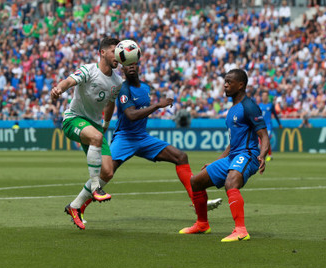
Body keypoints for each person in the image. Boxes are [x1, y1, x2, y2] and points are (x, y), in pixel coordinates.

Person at [65, 62, 222, 229]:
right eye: (127, 65)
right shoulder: (123, 89)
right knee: (106, 172)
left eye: (134, 64)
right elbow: (131, 115)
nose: (131, 67)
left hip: (142, 137)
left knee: (180, 157)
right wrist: (156, 105)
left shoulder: (146, 88)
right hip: (125, 138)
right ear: (123, 70)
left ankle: (194, 200)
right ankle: (78, 206)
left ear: (138, 66)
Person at [180, 69, 270, 242]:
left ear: (241, 85)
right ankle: (202, 224)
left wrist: (263, 155)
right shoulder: (232, 110)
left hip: (248, 155)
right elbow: (233, 143)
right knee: (196, 181)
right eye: (225, 81)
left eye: (229, 82)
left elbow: (264, 136)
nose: (226, 85)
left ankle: (241, 230)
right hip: (232, 156)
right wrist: (218, 161)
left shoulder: (249, 106)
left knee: (231, 182)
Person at [50, 37, 123, 230]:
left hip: (95, 126)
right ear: (102, 53)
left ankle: (74, 206)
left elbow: (110, 103)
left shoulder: (117, 81)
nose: (119, 56)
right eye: (115, 51)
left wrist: (107, 123)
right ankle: (94, 187)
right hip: (73, 119)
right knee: (97, 138)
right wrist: (59, 89)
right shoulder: (89, 70)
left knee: (108, 172)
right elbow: (69, 81)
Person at [258, 91, 282, 161]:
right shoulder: (259, 105)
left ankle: (269, 155)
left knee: (266, 139)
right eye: (263, 95)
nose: (264, 97)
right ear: (262, 97)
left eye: (265, 95)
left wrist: (279, 124)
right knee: (262, 141)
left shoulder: (270, 105)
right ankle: (266, 155)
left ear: (267, 97)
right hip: (261, 125)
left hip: (268, 125)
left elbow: (275, 115)